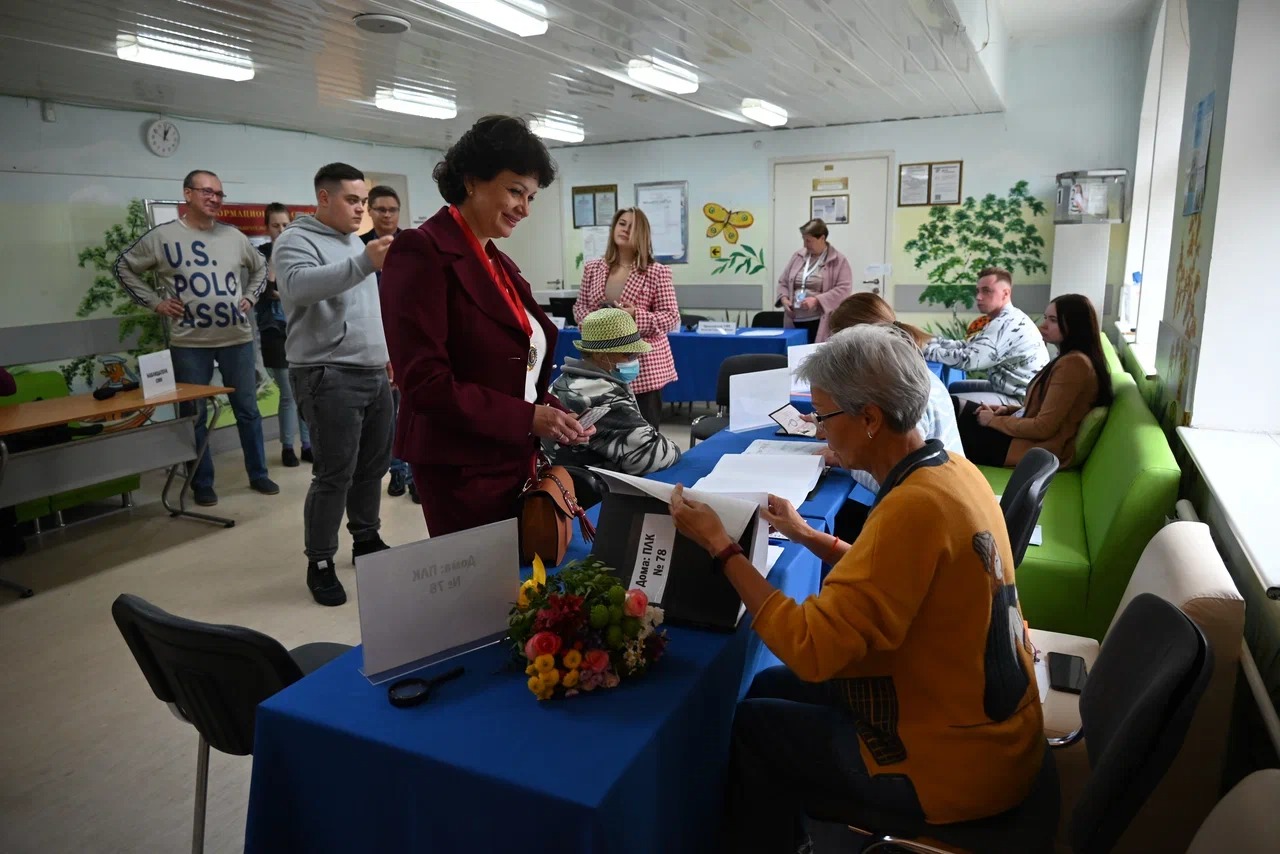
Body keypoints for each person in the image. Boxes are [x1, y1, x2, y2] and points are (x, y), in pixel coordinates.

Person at [668, 324, 1043, 852]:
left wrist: (721, 547)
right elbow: (896, 581)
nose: (820, 432)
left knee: (757, 726)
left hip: (955, 761)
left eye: (824, 416)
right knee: (766, 689)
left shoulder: (913, 507)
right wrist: (807, 535)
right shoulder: (951, 472)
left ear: (868, 418)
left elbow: (811, 648)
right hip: (985, 726)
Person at [380, 115, 593, 538]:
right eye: (515, 191)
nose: (524, 209)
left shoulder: (496, 259)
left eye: (531, 197)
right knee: (482, 588)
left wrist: (552, 411)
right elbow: (424, 382)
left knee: (518, 583)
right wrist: (527, 417)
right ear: (472, 180)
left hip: (509, 451)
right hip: (460, 463)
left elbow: (513, 364)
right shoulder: (421, 251)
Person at [113, 169, 276, 506]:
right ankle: (202, 482)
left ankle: (258, 474)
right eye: (207, 192)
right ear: (187, 194)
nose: (214, 198)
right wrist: (156, 303)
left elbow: (260, 267)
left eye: (219, 193)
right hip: (190, 344)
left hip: (237, 338)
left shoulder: (234, 236)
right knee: (194, 415)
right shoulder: (162, 236)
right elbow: (123, 267)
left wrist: (251, 296)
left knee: (247, 410)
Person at [273, 163, 395, 607]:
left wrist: (386, 355)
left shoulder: (354, 243)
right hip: (327, 374)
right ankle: (320, 561)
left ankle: (366, 539)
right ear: (323, 198)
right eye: (352, 199)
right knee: (334, 475)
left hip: (372, 372)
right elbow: (298, 287)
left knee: (373, 466)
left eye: (363, 200)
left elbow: (367, 310)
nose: (360, 208)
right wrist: (364, 262)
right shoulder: (295, 242)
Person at [956, 294, 1113, 467]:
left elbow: (1043, 428)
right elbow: (1051, 411)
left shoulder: (1074, 364)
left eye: (1052, 320)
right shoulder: (1071, 359)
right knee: (953, 405)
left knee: (949, 417)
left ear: (1074, 324)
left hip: (1030, 450)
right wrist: (1008, 410)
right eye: (1046, 318)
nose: (1043, 326)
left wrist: (993, 421)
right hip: (1022, 440)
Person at [572, 207, 679, 430]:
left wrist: (634, 316)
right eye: (622, 223)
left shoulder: (657, 271)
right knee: (603, 430)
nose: (625, 229)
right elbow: (580, 306)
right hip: (600, 363)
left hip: (642, 367)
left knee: (643, 432)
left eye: (632, 225)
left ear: (643, 233)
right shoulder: (593, 267)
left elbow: (670, 317)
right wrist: (593, 323)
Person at [549, 308, 681, 475]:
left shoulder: (562, 381)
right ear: (602, 356)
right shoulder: (605, 393)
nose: (636, 358)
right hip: (591, 494)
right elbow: (653, 457)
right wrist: (674, 448)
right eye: (629, 354)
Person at [359, 185, 416, 502]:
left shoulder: (413, 245)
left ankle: (417, 475)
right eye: (380, 209)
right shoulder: (360, 250)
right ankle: (397, 471)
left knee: (418, 412)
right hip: (378, 344)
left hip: (413, 341)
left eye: (392, 209)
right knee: (391, 415)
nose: (386, 215)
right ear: (370, 211)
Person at [922, 267, 1049, 405]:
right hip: (1009, 390)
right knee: (953, 387)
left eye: (986, 291)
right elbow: (968, 346)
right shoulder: (1004, 318)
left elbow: (969, 359)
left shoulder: (1006, 324)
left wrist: (924, 350)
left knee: (947, 402)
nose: (978, 297)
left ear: (1005, 294)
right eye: (978, 291)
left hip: (1022, 401)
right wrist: (930, 342)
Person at [255, 203, 310, 467]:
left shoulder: (300, 253)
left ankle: (308, 444)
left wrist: (285, 292)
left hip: (300, 328)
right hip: (274, 331)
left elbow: (303, 289)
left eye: (285, 225)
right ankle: (288, 446)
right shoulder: (261, 255)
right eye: (275, 225)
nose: (281, 230)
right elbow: (267, 290)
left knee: (305, 392)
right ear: (267, 228)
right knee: (289, 393)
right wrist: (276, 255)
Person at [775, 219, 853, 344]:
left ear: (822, 238)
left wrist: (817, 300)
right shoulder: (798, 256)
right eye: (803, 239)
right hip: (794, 319)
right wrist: (784, 299)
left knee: (815, 356)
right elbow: (783, 282)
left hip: (819, 320)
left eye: (808, 240)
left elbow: (844, 289)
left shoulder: (838, 260)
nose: (805, 245)